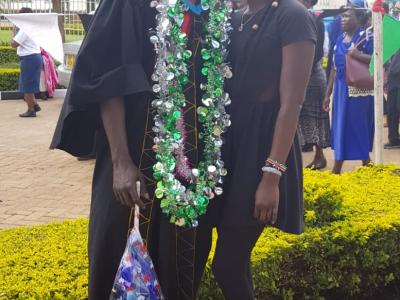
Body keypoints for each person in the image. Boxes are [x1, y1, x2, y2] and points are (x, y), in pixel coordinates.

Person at [51, 0, 218, 299]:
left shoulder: (207, 7)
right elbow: (109, 76)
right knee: (122, 263)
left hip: (189, 170)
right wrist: (120, 161)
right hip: (137, 156)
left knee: (181, 263)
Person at [211, 0, 315, 298]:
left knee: (226, 265)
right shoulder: (234, 15)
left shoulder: (292, 15)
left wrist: (271, 176)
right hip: (228, 147)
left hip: (262, 152)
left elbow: (292, 102)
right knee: (236, 262)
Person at [323, 1, 374, 174]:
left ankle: (363, 162)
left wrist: (358, 55)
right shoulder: (339, 38)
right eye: (341, 15)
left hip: (358, 90)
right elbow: (334, 69)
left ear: (358, 17)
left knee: (357, 126)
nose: (342, 19)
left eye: (347, 15)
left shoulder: (367, 37)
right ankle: (346, 163)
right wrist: (327, 94)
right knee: (340, 126)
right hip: (340, 91)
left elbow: (378, 62)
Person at [297, 0, 330, 170]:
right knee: (301, 118)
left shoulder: (317, 19)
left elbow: (317, 52)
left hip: (313, 75)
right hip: (301, 74)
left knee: (316, 117)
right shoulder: (298, 17)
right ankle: (315, 157)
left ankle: (320, 156)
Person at [11, 7, 43, 118]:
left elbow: (14, 44)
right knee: (28, 83)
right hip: (33, 57)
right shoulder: (31, 27)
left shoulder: (25, 28)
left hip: (29, 58)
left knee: (27, 86)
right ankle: (35, 104)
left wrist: (14, 30)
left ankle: (31, 110)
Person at [384, 51, 400, 149]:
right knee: (391, 110)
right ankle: (393, 139)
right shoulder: (394, 43)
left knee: (398, 107)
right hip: (393, 79)